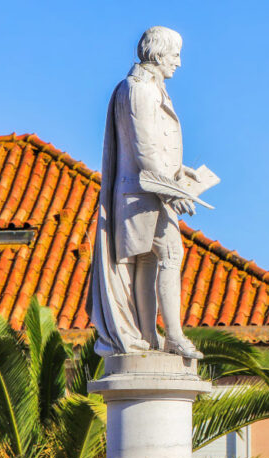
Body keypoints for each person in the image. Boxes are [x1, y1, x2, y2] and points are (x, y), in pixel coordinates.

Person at [89, 26, 203, 359]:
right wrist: (173, 189)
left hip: (151, 190)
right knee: (167, 255)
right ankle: (173, 336)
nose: (178, 63)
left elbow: (154, 150)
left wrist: (181, 172)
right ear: (157, 54)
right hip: (144, 193)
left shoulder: (153, 89)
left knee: (150, 261)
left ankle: (149, 334)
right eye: (175, 55)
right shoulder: (138, 90)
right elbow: (143, 150)